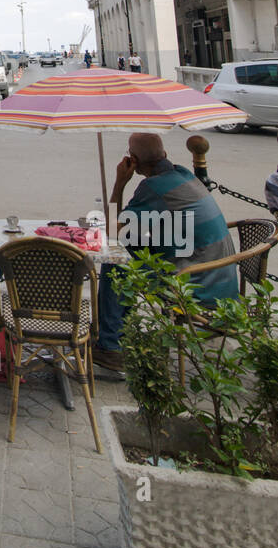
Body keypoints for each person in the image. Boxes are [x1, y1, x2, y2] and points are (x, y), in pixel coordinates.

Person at [93, 132, 240, 372]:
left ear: (133, 160)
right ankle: (121, 334)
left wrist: (120, 182)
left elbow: (112, 228)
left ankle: (111, 347)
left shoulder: (154, 186)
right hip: (217, 273)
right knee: (129, 248)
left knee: (115, 263)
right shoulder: (182, 173)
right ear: (165, 155)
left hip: (197, 280)